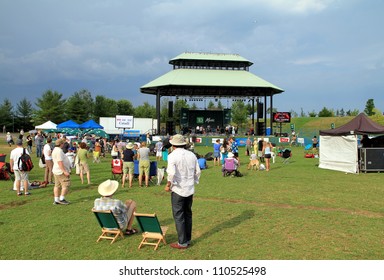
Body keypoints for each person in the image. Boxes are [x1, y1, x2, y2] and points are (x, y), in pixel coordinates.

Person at [165, 134, 201, 249]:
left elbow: (171, 173)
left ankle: (182, 242)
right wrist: (193, 181)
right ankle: (187, 239)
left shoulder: (172, 156)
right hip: (189, 188)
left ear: (173, 145)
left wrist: (168, 184)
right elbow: (198, 171)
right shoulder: (192, 155)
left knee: (179, 215)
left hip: (178, 189)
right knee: (188, 214)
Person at [52, 138, 71, 205]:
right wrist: (64, 171)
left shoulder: (55, 150)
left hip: (56, 170)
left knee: (57, 185)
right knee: (66, 184)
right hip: (60, 171)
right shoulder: (59, 151)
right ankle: (61, 199)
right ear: (61, 144)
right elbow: (60, 162)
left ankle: (56, 199)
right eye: (63, 143)